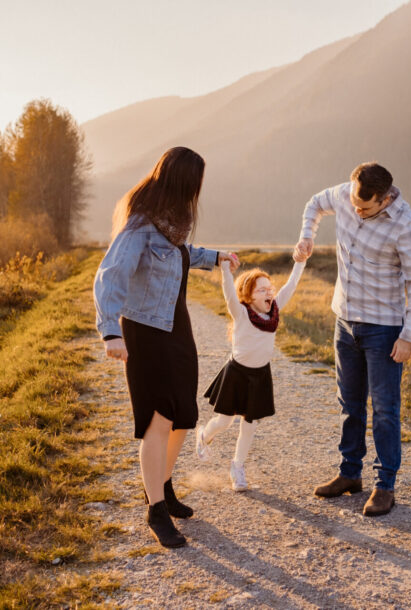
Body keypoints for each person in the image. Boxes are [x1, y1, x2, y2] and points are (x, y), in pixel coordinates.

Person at [93, 147, 239, 548]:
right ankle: (155, 508)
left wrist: (215, 257)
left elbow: (179, 253)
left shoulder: (173, 220)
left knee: (184, 414)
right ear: (181, 181)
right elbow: (109, 274)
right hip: (144, 329)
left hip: (175, 325)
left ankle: (161, 484)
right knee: (157, 420)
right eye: (195, 182)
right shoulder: (139, 224)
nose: (198, 190)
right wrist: (110, 332)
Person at [294, 162, 411, 516]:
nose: (356, 210)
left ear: (384, 200)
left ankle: (385, 486)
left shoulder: (406, 225)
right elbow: (313, 203)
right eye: (354, 202)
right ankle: (349, 474)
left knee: (385, 410)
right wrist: (307, 234)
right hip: (345, 322)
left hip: (384, 330)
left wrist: (409, 336)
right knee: (349, 404)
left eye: (365, 207)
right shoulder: (344, 194)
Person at [195, 254, 306, 490]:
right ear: (248, 296)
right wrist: (225, 270)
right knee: (224, 421)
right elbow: (228, 294)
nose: (269, 293)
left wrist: (300, 261)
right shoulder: (241, 313)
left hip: (260, 376)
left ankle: (237, 467)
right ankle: (204, 435)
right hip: (237, 374)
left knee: (250, 425)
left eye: (270, 288)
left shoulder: (274, 312)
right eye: (261, 290)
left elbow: (291, 285)